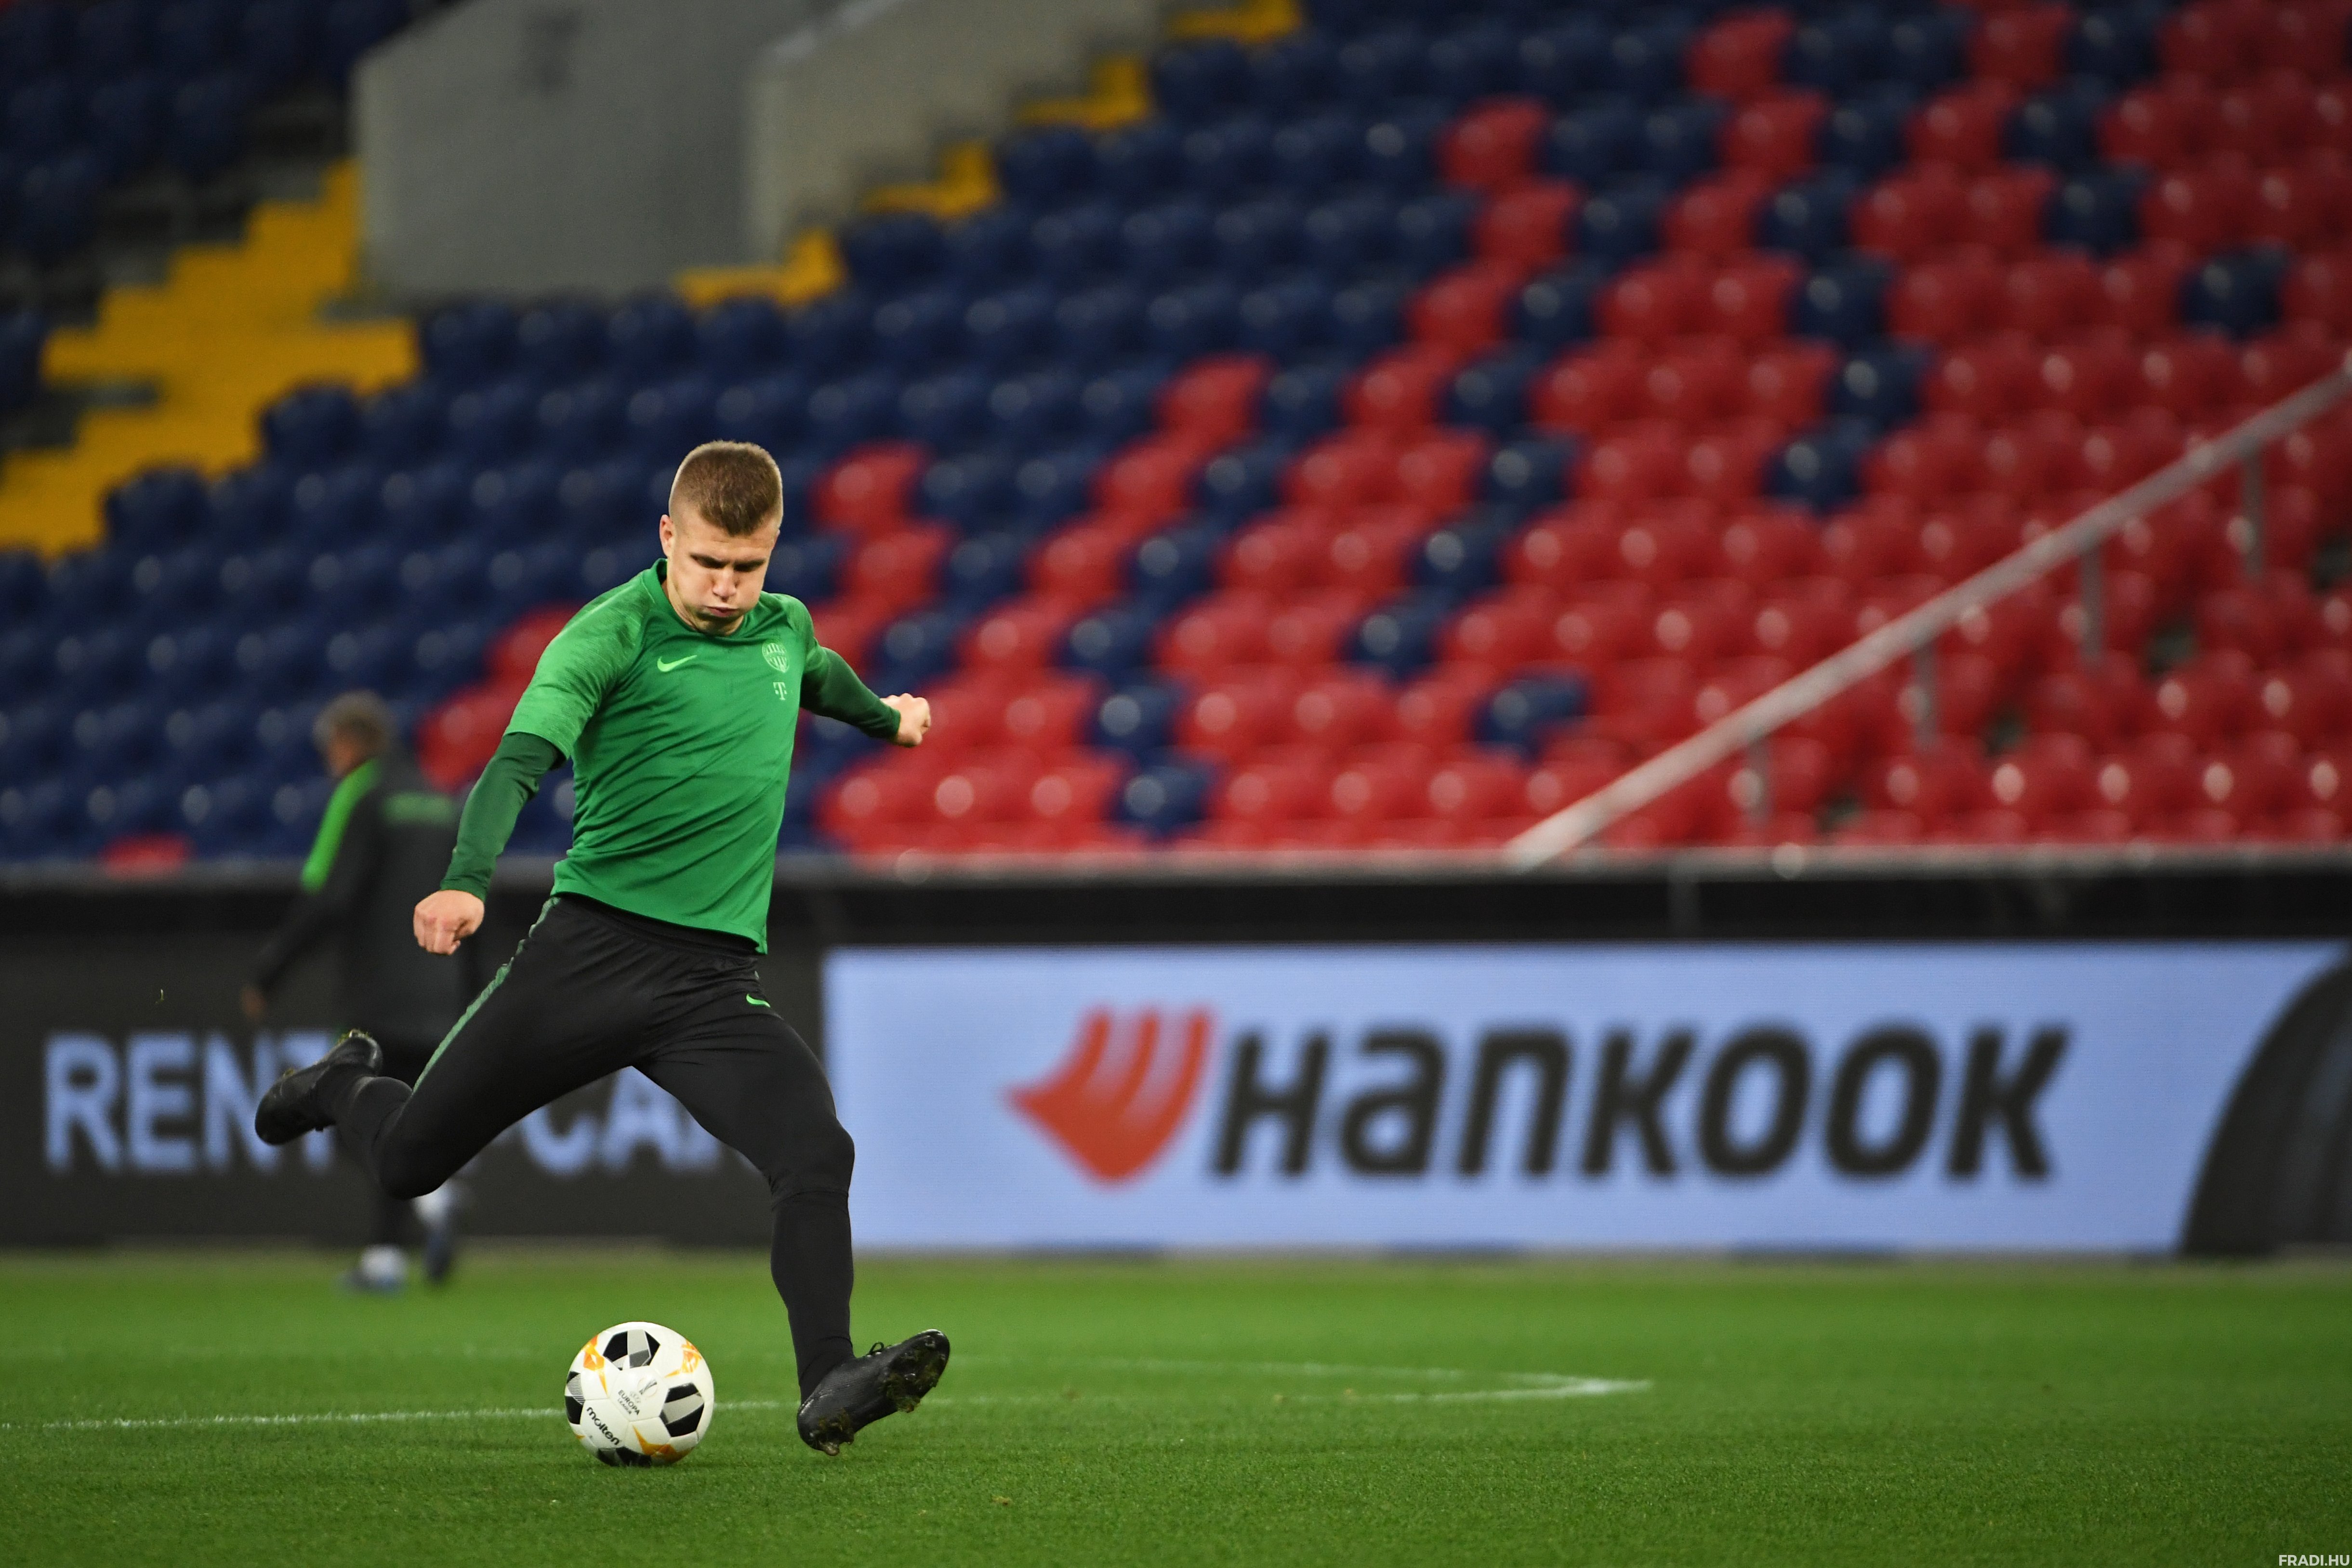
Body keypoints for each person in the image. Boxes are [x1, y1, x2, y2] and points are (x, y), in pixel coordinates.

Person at [253, 440, 948, 1455]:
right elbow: (516, 762)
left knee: (815, 1150)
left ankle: (829, 1382)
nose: (726, 586)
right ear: (667, 536)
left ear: (772, 551)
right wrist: (466, 878)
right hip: (588, 956)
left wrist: (887, 721)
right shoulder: (610, 633)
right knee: (406, 1164)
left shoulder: (783, 626)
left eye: (748, 566)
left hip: (711, 983)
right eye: (706, 561)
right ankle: (337, 1085)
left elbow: (817, 674)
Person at [245, 690, 467, 1293]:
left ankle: (431, 1202)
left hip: (377, 998)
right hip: (442, 995)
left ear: (346, 744)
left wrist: (270, 972)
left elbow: (328, 895)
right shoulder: (441, 800)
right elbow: (476, 898)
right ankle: (386, 1258)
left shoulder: (361, 794)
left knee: (348, 1112)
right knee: (402, 1117)